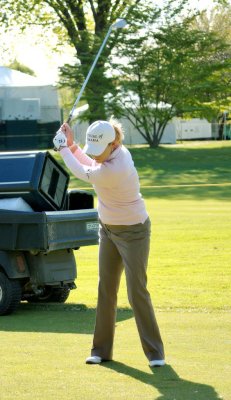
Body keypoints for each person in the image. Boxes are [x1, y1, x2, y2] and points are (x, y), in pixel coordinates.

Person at [54, 118, 165, 367]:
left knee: (137, 291)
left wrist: (62, 149)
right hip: (107, 229)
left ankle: (155, 353)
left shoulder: (119, 166)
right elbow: (89, 161)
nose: (95, 155)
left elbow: (85, 172)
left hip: (134, 232)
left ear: (113, 144)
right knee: (106, 289)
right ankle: (101, 350)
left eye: (98, 150)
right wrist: (71, 146)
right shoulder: (105, 155)